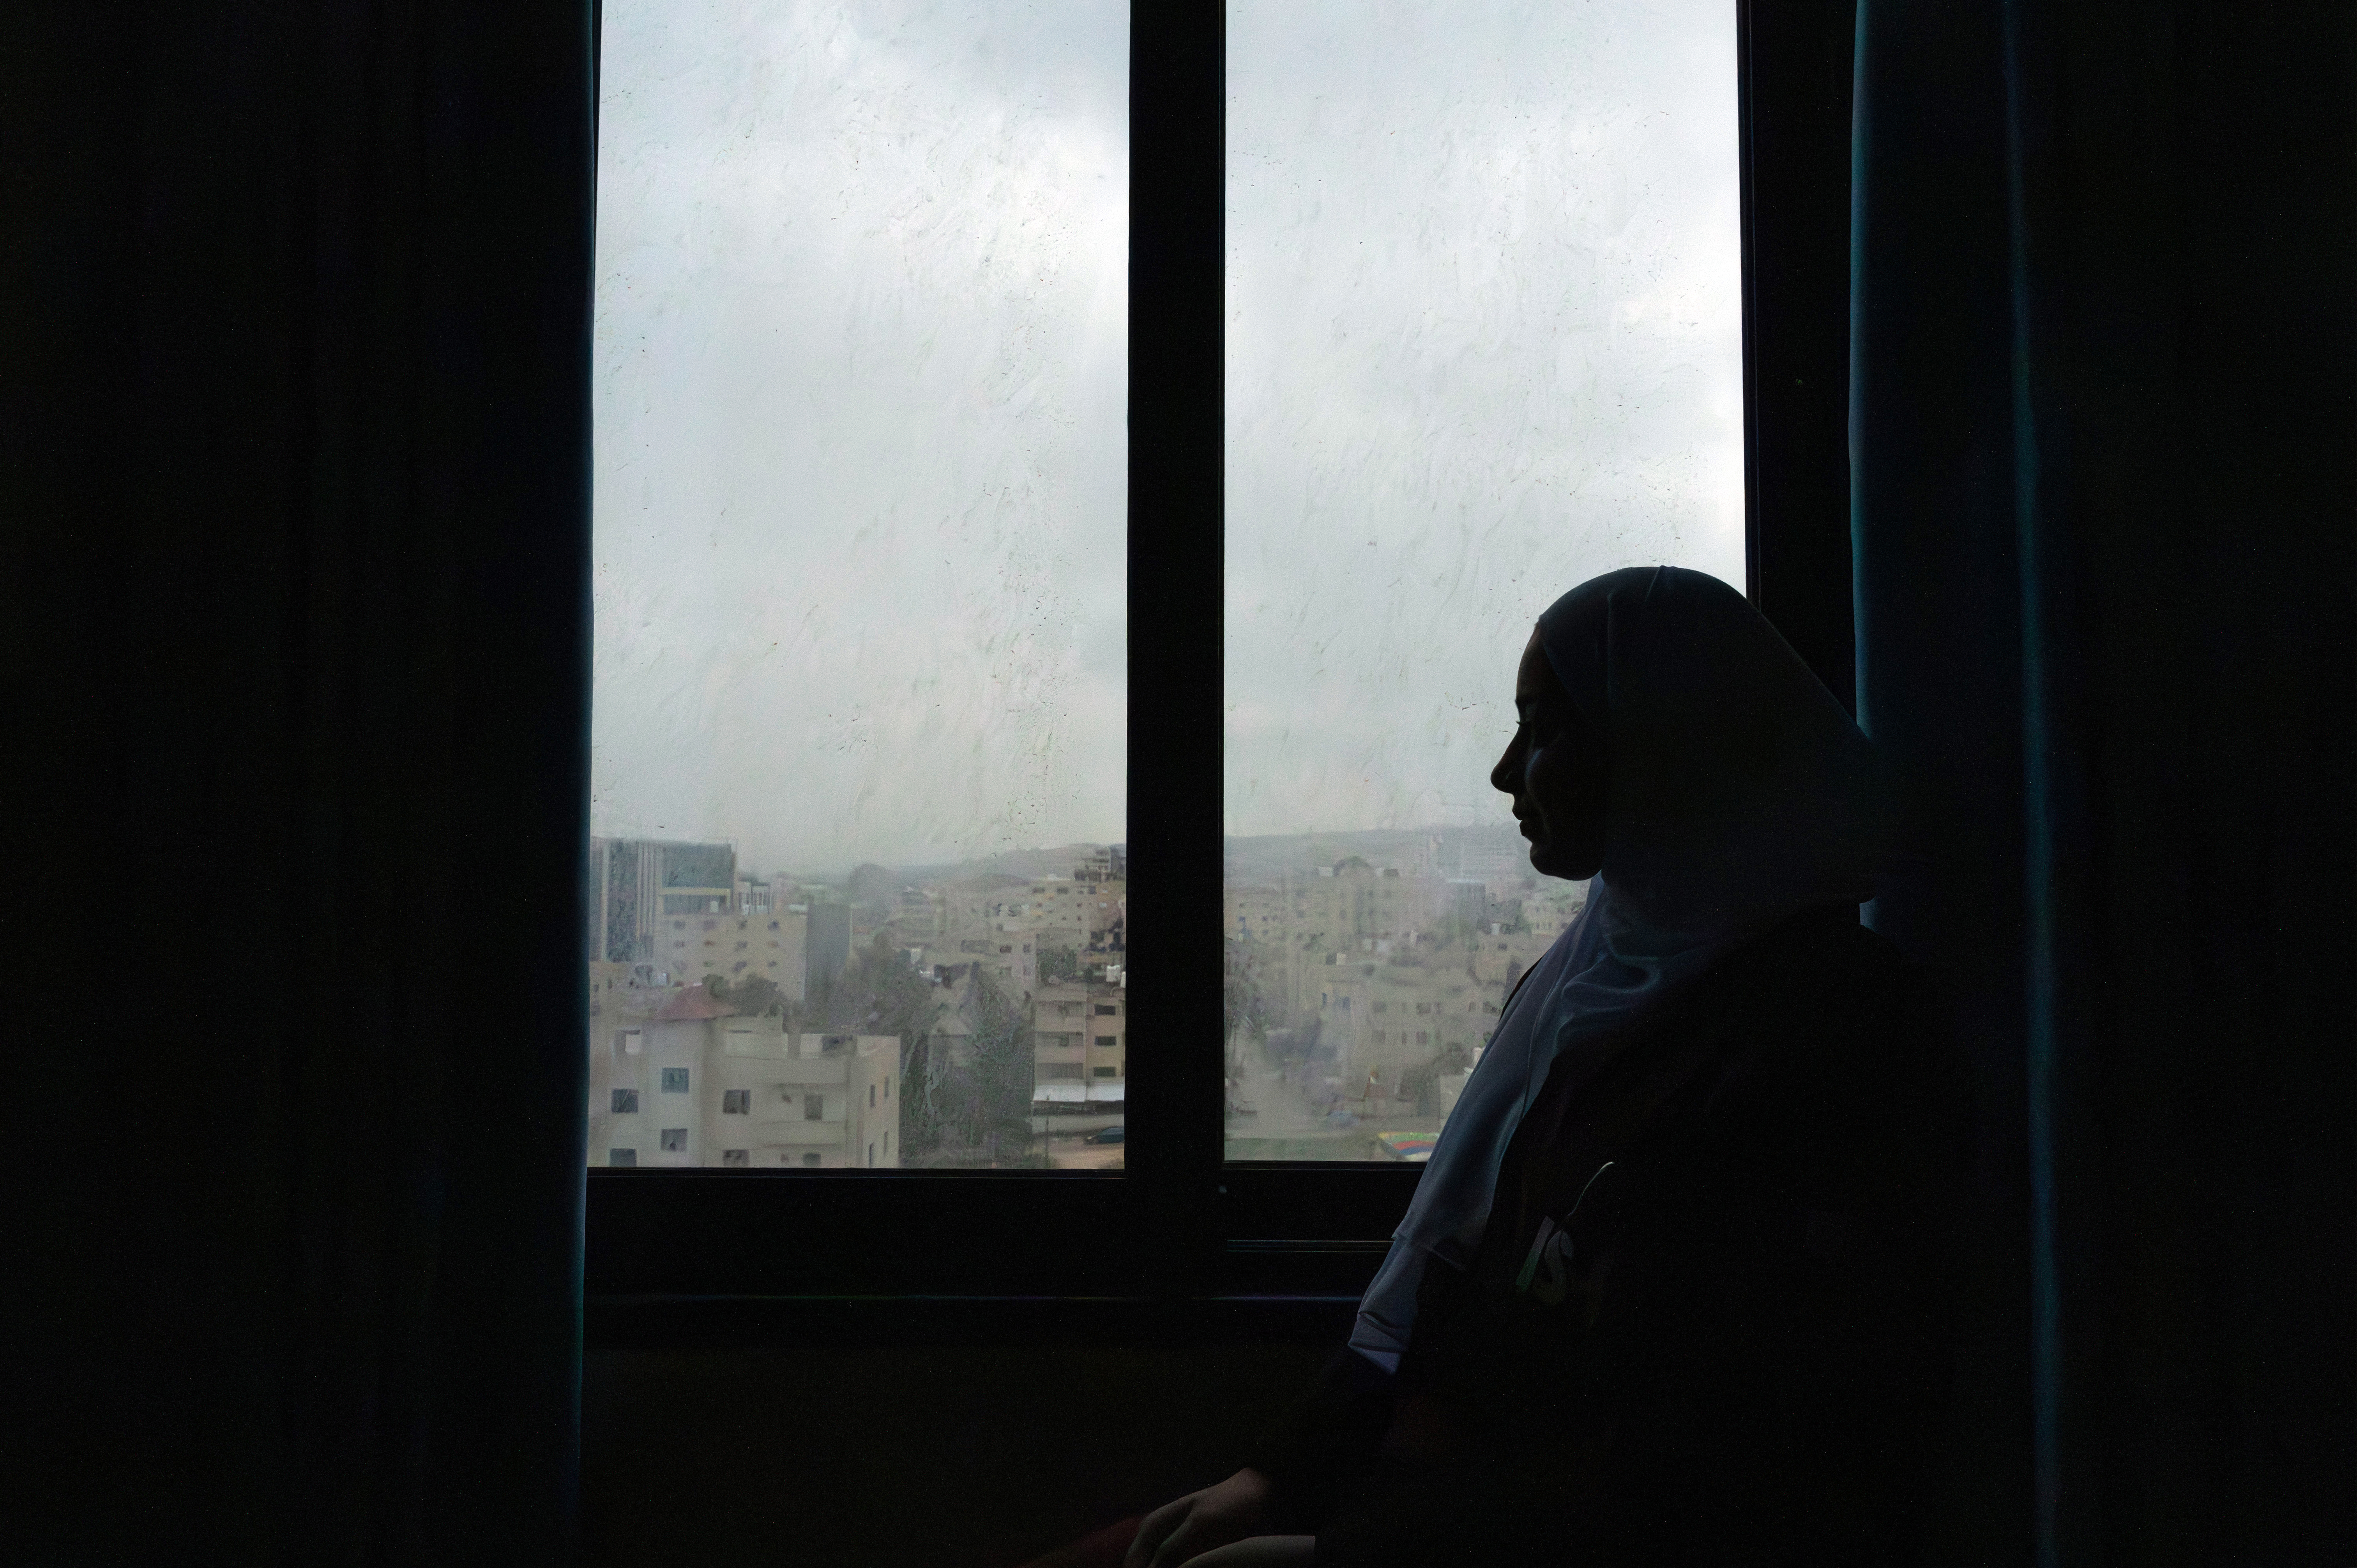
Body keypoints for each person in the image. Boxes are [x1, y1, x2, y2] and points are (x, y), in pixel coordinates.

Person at [1020, 566, 1968, 1568]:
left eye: (1548, 729)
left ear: (1669, 743)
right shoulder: (1587, 985)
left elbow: (1737, 1452)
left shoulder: (1838, 1035)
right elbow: (1464, 1276)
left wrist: (1347, 1537)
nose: (1506, 771)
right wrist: (1276, 1477)